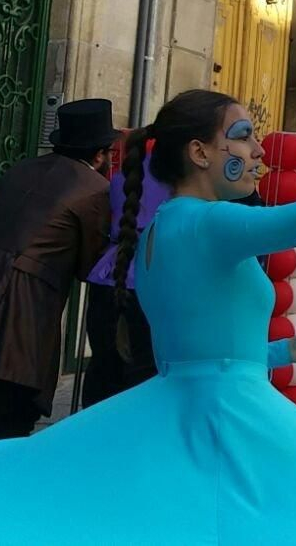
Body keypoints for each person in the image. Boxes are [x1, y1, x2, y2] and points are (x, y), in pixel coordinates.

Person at [0, 30, 296, 545]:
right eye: (242, 136)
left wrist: (286, 348)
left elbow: (206, 353)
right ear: (199, 152)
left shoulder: (157, 231)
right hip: (227, 426)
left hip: (181, 416)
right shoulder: (207, 224)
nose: (258, 149)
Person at [0, 99, 117, 445]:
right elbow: (91, 264)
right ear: (101, 155)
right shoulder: (94, 191)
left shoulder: (22, 168)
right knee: (10, 409)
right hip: (23, 308)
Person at [81, 131, 170, 407]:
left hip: (110, 273)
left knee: (104, 367)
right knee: (145, 375)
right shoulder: (182, 182)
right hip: (155, 275)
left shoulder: (121, 179)